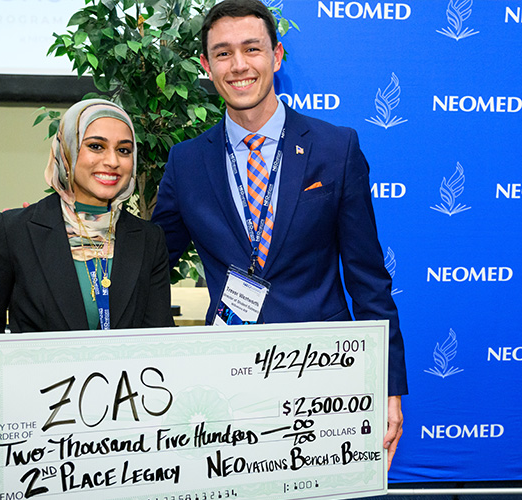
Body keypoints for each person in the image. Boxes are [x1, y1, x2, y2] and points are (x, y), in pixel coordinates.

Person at [150, 0, 407, 469]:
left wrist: (387, 385)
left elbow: (369, 279)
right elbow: (147, 266)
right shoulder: (186, 163)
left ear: (277, 55)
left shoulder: (336, 147)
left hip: (324, 374)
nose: (239, 65)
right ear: (206, 67)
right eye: (223, 54)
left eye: (252, 49)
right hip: (228, 376)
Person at [0, 99, 174, 383]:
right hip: (41, 401)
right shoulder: (16, 230)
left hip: (126, 403)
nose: (113, 161)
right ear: (66, 151)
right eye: (95, 146)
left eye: (124, 150)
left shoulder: (148, 239)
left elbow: (159, 336)